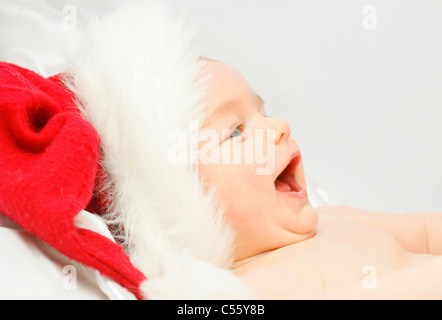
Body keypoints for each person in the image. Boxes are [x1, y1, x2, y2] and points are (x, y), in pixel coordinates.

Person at [197, 59, 442, 299]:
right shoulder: (258, 284)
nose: (278, 125)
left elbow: (426, 233)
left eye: (264, 113)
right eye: (236, 130)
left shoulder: (336, 218)